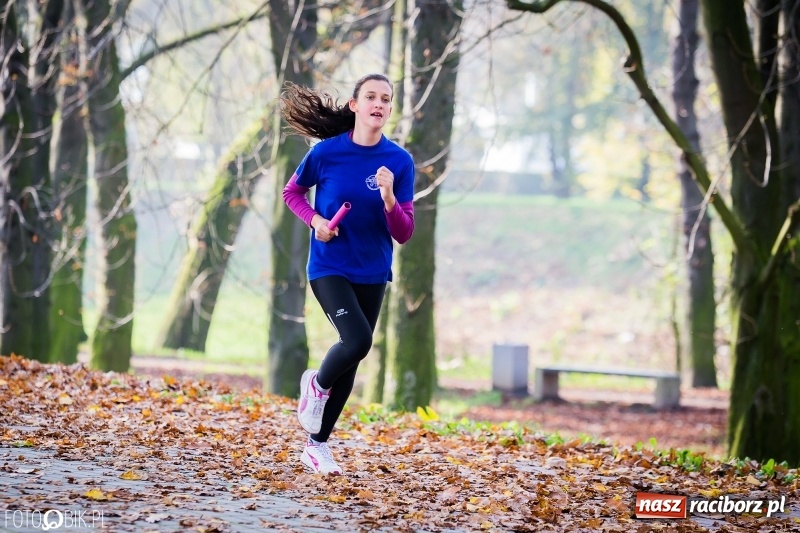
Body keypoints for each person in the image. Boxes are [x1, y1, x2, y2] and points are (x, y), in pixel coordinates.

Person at [280, 74, 415, 475]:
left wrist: (390, 199)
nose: (379, 104)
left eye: (386, 99)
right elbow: (292, 193)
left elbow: (404, 233)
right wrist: (316, 220)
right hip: (329, 266)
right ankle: (317, 385)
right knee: (358, 339)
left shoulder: (399, 161)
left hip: (373, 270)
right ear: (355, 105)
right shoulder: (327, 153)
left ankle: (316, 446)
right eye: (371, 97)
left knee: (352, 358)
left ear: (390, 109)